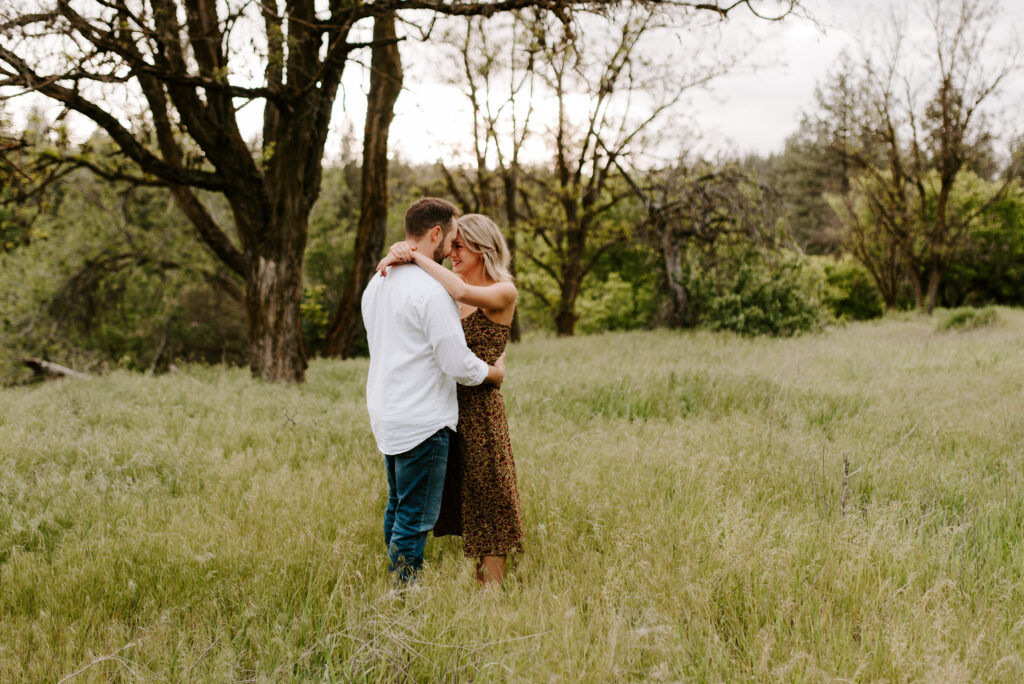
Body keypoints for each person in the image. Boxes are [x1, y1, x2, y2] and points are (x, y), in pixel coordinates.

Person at [362, 198, 506, 585]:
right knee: (412, 516)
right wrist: (493, 373)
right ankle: (403, 598)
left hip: (387, 413)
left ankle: (395, 587)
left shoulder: (378, 281)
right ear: (436, 233)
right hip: (423, 418)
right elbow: (456, 363)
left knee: (397, 505)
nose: (454, 246)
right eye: (453, 237)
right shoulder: (431, 291)